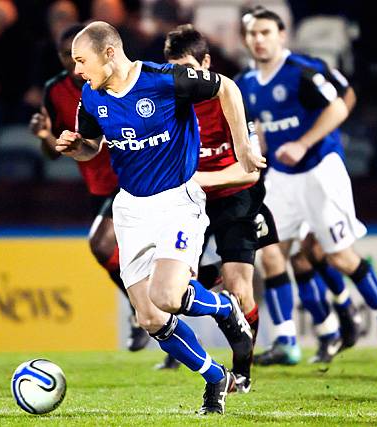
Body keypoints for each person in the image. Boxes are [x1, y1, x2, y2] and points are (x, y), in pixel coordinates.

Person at [56, 21, 264, 414]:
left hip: (177, 202)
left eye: (82, 61)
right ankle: (214, 377)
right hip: (132, 208)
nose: (78, 70)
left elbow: (227, 88)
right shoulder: (91, 95)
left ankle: (224, 308)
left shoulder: (165, 79)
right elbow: (91, 146)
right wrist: (76, 146)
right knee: (150, 317)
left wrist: (244, 149)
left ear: (109, 53)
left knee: (167, 296)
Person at [236, 8, 377, 363]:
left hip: (319, 170)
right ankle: (286, 341)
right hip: (281, 176)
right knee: (272, 251)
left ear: (282, 35)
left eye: (266, 32)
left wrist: (304, 143)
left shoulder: (302, 71)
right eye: (252, 34)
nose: (259, 39)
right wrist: (255, 145)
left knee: (336, 255)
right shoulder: (247, 84)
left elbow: (341, 105)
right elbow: (260, 128)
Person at [152, 23, 273, 392]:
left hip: (234, 197)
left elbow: (250, 172)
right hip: (188, 202)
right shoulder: (166, 99)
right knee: (169, 292)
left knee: (241, 290)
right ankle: (208, 283)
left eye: (188, 66)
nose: (182, 76)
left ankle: (244, 373)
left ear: (206, 62)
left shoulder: (230, 99)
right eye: (174, 68)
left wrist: (199, 180)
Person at [29, 23, 149, 352]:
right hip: (97, 184)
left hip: (129, 178)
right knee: (121, 253)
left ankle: (142, 309)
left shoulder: (116, 80)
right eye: (69, 56)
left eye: (80, 56)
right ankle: (154, 307)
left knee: (101, 243)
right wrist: (46, 138)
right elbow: (55, 152)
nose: (75, 64)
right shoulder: (56, 91)